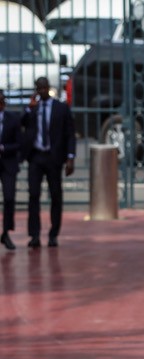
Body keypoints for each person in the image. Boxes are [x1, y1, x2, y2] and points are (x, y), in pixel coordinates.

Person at [22, 77, 74, 248]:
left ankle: (53, 234)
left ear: (49, 88)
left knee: (56, 196)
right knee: (33, 195)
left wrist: (70, 157)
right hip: (36, 157)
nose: (42, 91)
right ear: (36, 90)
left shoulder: (61, 108)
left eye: (44, 88)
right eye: (39, 89)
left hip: (53, 157)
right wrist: (29, 109)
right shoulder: (33, 109)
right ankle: (34, 235)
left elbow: (69, 134)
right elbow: (22, 124)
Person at [0, 90, 22, 250]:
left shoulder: (12, 119)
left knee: (9, 198)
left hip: (8, 163)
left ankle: (6, 232)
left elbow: (19, 143)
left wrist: (3, 148)